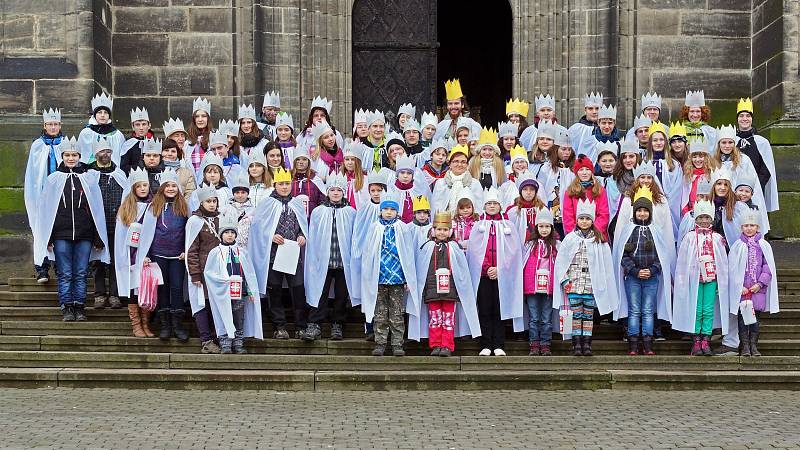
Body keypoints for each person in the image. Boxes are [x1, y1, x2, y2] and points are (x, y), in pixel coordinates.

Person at [33, 137, 109, 322]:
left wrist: (98, 237)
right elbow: (47, 210)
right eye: (67, 155)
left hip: (84, 234)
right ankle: (67, 306)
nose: (71, 158)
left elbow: (96, 210)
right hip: (61, 234)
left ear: (79, 156)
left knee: (81, 272)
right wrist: (48, 236)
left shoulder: (88, 178)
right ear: (63, 156)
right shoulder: (53, 179)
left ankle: (79, 306)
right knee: (65, 272)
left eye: (74, 155)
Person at [248, 167, 309, 340]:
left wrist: (302, 236)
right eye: (281, 184)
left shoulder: (296, 203)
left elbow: (302, 225)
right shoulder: (267, 203)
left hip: (292, 255)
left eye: (287, 183)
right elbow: (258, 228)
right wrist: (270, 236)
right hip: (273, 256)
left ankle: (301, 326)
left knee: (297, 291)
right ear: (275, 185)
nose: (284, 187)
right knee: (274, 292)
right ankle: (279, 326)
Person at [410, 211, 481, 356]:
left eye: (445, 230)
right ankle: (435, 344)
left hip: (450, 291)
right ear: (433, 230)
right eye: (439, 229)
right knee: (435, 318)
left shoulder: (455, 247)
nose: (442, 232)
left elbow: (461, 270)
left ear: (450, 231)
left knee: (448, 319)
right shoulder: (427, 247)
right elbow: (422, 270)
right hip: (432, 290)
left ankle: (447, 345)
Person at [553, 199, 618, 356]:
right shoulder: (570, 239)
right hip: (574, 284)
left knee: (588, 315)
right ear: (577, 220)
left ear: (592, 221)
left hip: (590, 284)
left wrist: (601, 283)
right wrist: (565, 280)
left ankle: (587, 343)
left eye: (587, 218)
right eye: (581, 218)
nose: (584, 221)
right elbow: (561, 262)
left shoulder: (599, 240)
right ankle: (576, 343)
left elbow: (605, 265)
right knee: (576, 314)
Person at [612, 186, 673, 356]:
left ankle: (647, 343)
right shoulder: (628, 230)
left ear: (650, 213)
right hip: (633, 277)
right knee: (634, 310)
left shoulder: (656, 231)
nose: (642, 214)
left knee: (647, 310)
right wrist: (634, 271)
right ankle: (633, 343)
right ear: (634, 212)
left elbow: (662, 255)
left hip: (651, 278)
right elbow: (623, 255)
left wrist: (652, 270)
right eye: (639, 211)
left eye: (645, 211)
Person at [466, 187, 524, 356]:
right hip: (483, 275)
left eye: (495, 203)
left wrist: (500, 268)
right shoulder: (478, 226)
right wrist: (486, 268)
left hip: (502, 276)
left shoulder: (509, 226)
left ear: (500, 206)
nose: (492, 206)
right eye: (489, 203)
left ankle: (499, 343)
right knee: (484, 309)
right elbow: (475, 251)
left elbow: (513, 251)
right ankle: (485, 343)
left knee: (500, 309)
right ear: (484, 206)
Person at [360, 193, 420, 357]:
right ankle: (380, 343)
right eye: (385, 209)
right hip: (378, 277)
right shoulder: (374, 227)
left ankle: (397, 343)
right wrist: (368, 275)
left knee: (396, 313)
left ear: (397, 212)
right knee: (380, 313)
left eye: (392, 209)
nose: (388, 212)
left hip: (397, 278)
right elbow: (368, 252)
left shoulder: (402, 227)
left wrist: (408, 277)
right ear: (380, 211)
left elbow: (407, 253)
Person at [672, 199, 730, 356]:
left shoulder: (717, 238)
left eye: (707, 218)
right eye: (700, 218)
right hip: (695, 279)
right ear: (696, 219)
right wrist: (683, 279)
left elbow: (722, 261)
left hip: (711, 279)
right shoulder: (690, 238)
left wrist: (721, 280)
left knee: (708, 309)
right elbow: (683, 260)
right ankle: (696, 340)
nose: (704, 221)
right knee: (697, 310)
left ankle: (706, 339)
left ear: (711, 219)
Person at [304, 173, 356, 341]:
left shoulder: (350, 212)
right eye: (332, 190)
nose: (335, 193)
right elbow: (313, 236)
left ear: (343, 192)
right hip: (323, 261)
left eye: (338, 190)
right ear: (327, 192)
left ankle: (337, 324)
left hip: (343, 261)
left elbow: (354, 237)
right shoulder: (319, 212)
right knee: (319, 291)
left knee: (341, 295)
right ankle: (314, 324)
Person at [203, 214, 263, 354]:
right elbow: (209, 273)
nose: (229, 235)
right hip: (222, 293)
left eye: (232, 232)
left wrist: (250, 291)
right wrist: (222, 281)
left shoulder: (242, 252)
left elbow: (249, 273)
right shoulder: (215, 253)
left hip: (239, 291)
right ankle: (225, 344)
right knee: (223, 316)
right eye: (226, 232)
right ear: (221, 235)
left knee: (238, 317)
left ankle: (238, 344)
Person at [145, 170, 190, 342]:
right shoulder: (153, 207)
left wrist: (186, 249)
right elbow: (147, 232)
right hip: (158, 254)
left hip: (177, 255)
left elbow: (189, 231)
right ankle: (165, 324)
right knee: (162, 288)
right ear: (162, 188)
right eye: (168, 186)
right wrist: (147, 254)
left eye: (174, 186)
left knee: (177, 288)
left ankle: (178, 324)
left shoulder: (184, 206)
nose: (171, 189)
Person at [728, 209, 778, 357]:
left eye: (752, 225)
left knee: (755, 320)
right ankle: (744, 347)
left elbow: (767, 266)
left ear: (757, 227)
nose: (749, 228)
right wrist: (739, 286)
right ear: (741, 227)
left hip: (757, 290)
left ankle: (753, 346)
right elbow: (732, 268)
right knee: (743, 319)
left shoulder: (763, 245)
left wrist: (760, 283)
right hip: (742, 290)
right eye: (746, 225)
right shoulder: (737, 245)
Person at [88, 138, 128, 310]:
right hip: (97, 225)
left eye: (108, 151)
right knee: (97, 261)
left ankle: (114, 294)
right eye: (102, 152)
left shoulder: (119, 173)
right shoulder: (89, 174)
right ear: (96, 154)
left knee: (115, 260)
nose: (105, 154)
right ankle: (99, 294)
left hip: (116, 225)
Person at [113, 168, 154, 338]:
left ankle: (146, 324)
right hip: (130, 255)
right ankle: (136, 325)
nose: (143, 189)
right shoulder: (126, 208)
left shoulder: (153, 207)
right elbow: (121, 236)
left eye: (145, 185)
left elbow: (154, 233)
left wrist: (148, 254)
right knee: (132, 290)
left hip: (147, 255)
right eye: (139, 186)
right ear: (133, 189)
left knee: (144, 289)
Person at [24, 107, 64, 282]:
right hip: (42, 195)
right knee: (41, 231)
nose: (53, 127)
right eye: (50, 124)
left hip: (62, 195)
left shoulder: (66, 144)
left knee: (60, 231)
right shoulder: (37, 145)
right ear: (44, 125)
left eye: (56, 124)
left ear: (60, 125)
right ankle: (42, 268)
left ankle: (60, 267)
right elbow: (33, 173)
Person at [185, 186, 224, 354]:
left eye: (214, 201)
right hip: (202, 269)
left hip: (219, 270)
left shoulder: (221, 219)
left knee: (217, 303)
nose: (212, 204)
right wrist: (195, 273)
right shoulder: (195, 221)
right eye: (208, 201)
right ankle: (206, 339)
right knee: (202, 303)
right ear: (201, 202)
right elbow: (191, 250)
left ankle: (218, 337)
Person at [522, 208, 558, 356]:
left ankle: (545, 344)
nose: (544, 230)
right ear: (536, 227)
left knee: (546, 318)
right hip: (532, 287)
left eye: (547, 226)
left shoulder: (556, 246)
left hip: (548, 287)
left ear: (552, 228)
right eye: (541, 226)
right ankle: (534, 344)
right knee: (534, 317)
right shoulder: (529, 245)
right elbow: (523, 264)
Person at [735, 98, 778, 213]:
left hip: (755, 189)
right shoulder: (731, 141)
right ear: (737, 119)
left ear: (752, 119)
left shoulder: (761, 142)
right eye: (741, 116)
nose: (745, 119)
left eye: (748, 116)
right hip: (734, 189)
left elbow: (766, 168)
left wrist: (752, 187)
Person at [561, 155, 610, 239]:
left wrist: (594, 232)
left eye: (587, 169)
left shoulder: (600, 190)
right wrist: (576, 234)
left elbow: (603, 214)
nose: (584, 173)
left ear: (591, 171)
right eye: (581, 170)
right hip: (576, 236)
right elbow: (568, 216)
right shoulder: (570, 191)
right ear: (577, 173)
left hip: (596, 235)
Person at [430, 144, 483, 214]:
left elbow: (479, 208)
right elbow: (435, 207)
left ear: (467, 165)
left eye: (463, 162)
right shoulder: (441, 183)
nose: (459, 165)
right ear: (450, 164)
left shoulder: (475, 184)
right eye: (456, 161)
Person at [77, 93, 125, 165]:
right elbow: (81, 153)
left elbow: (120, 156)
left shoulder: (117, 135)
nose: (102, 115)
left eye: (105, 112)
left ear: (109, 115)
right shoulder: (86, 133)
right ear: (95, 115)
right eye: (99, 112)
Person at [388, 155, 430, 223]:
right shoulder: (392, 190)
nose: (405, 176)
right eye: (402, 173)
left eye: (409, 173)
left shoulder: (418, 190)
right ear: (397, 175)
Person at [120, 107, 155, 174]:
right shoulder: (128, 145)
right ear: (133, 127)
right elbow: (123, 167)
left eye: (144, 124)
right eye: (137, 125)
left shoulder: (155, 142)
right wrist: (140, 168)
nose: (141, 128)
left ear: (149, 125)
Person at [186, 97, 213, 173]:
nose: (200, 119)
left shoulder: (214, 137)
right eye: (197, 116)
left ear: (208, 118)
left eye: (203, 116)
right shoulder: (187, 139)